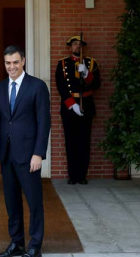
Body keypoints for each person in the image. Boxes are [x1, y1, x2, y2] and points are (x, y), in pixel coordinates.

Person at [0, 45, 51, 257]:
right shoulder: (0, 88)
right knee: (12, 202)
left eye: (16, 62)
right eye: (8, 63)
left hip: (29, 155)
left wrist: (38, 153)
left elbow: (43, 122)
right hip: (7, 155)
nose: (12, 67)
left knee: (34, 201)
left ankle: (35, 245)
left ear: (23, 61)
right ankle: (17, 243)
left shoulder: (36, 86)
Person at [55, 36, 101, 185]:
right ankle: (72, 175)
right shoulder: (62, 64)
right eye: (75, 44)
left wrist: (87, 74)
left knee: (84, 142)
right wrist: (71, 104)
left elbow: (97, 85)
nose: (77, 47)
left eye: (80, 45)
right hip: (69, 107)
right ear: (70, 47)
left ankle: (82, 175)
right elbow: (61, 86)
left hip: (86, 105)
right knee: (71, 141)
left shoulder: (91, 63)